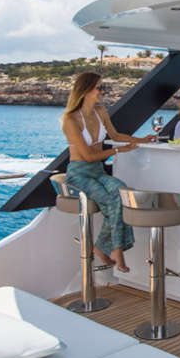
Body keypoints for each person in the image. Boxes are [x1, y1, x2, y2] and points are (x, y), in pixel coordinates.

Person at [61, 72, 155, 273]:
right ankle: (117, 250)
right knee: (112, 200)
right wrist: (119, 150)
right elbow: (86, 156)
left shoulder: (100, 111)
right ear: (85, 91)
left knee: (122, 192)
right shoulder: (71, 119)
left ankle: (102, 247)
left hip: (97, 170)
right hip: (79, 174)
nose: (102, 91)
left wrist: (142, 140)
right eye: (98, 88)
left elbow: (115, 135)